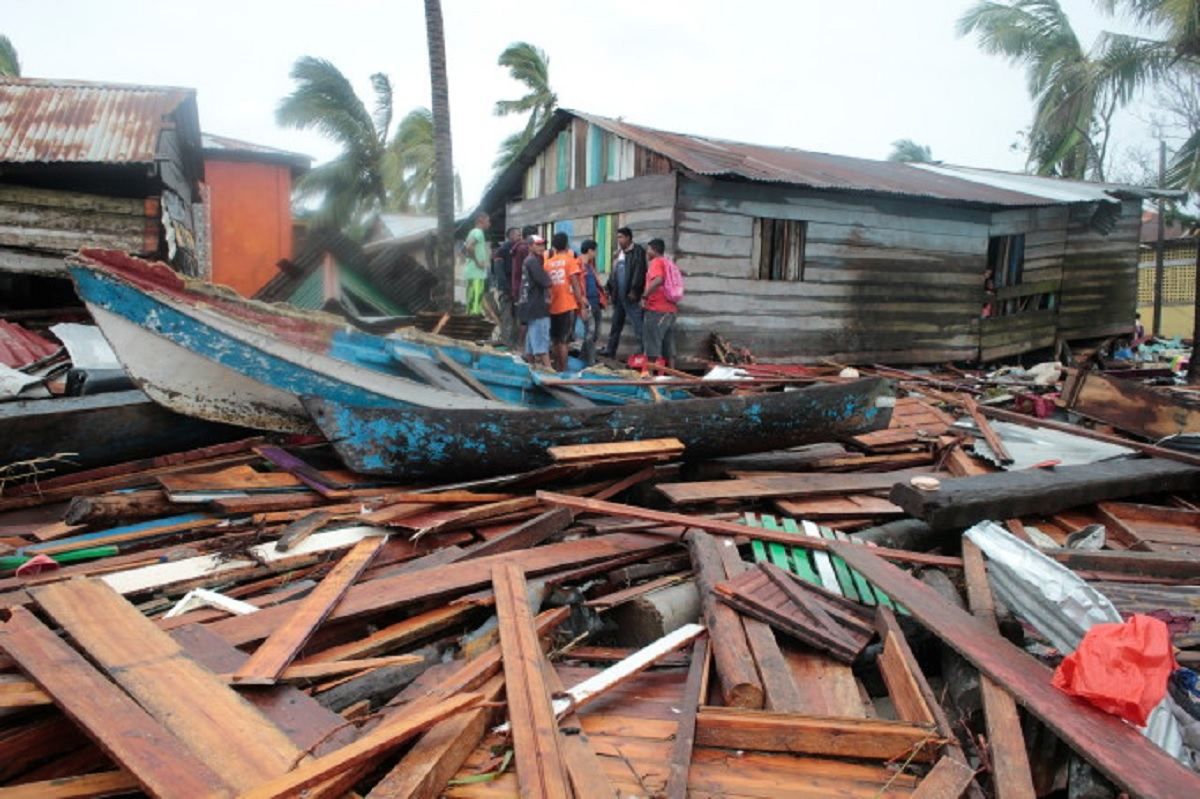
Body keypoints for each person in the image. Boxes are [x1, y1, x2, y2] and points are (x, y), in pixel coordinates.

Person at [545, 232, 588, 371]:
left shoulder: (548, 263)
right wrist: (581, 305)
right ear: (567, 245)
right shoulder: (570, 261)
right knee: (564, 341)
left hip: (552, 306)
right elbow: (575, 284)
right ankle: (563, 370)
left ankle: (556, 368)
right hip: (567, 305)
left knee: (555, 340)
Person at [603, 227, 647, 359]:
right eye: (617, 237)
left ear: (628, 237)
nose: (619, 240)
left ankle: (644, 355)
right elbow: (613, 274)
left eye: (621, 237)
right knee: (615, 326)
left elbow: (639, 272)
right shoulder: (618, 254)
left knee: (639, 327)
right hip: (619, 297)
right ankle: (610, 351)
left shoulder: (637, 251)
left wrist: (635, 291)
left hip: (631, 297)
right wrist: (608, 288)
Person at [642, 238, 678, 368]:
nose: (647, 252)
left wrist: (645, 296)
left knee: (652, 343)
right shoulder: (669, 263)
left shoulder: (656, 262)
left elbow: (658, 280)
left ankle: (650, 378)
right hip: (670, 310)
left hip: (657, 309)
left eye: (648, 249)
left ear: (654, 250)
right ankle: (671, 375)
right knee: (669, 344)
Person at [517, 235, 552, 368]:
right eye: (537, 245)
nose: (541, 247)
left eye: (542, 244)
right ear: (530, 246)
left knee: (531, 343)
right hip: (537, 307)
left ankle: (532, 368)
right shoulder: (532, 262)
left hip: (528, 306)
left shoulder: (529, 261)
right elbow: (546, 282)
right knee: (542, 343)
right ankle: (549, 370)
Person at [490, 226, 520, 345]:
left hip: (515, 291)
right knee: (507, 318)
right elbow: (498, 272)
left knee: (516, 319)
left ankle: (514, 343)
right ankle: (508, 345)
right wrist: (508, 290)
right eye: (518, 235)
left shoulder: (518, 250)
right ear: (511, 236)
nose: (520, 237)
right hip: (507, 291)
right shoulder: (501, 251)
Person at [578, 239, 605, 365]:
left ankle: (583, 358)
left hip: (596, 302)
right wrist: (582, 303)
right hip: (586, 303)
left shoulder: (590, 266)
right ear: (590, 250)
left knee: (595, 334)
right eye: (595, 251)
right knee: (590, 332)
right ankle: (591, 362)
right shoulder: (578, 264)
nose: (595, 254)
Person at [510, 225, 537, 349]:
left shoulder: (518, 247)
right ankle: (522, 347)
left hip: (518, 286)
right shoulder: (525, 249)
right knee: (526, 320)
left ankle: (521, 346)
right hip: (525, 287)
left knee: (523, 319)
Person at [462, 211, 490, 315]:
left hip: (470, 272)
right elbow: (469, 247)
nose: (489, 223)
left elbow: (465, 250)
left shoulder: (471, 232)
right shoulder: (478, 232)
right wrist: (477, 262)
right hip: (476, 273)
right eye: (488, 220)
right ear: (480, 220)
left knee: (471, 302)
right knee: (475, 306)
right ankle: (473, 325)